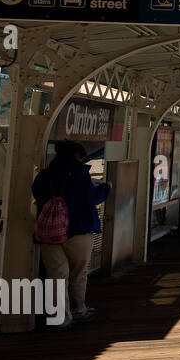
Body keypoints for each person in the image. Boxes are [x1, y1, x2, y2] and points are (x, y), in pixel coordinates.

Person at [31, 140, 111, 327]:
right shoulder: (80, 174)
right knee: (78, 272)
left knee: (56, 274)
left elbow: (37, 193)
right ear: (77, 155)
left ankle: (60, 317)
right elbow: (90, 197)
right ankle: (78, 309)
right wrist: (107, 188)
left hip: (49, 232)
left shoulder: (45, 175)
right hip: (79, 229)